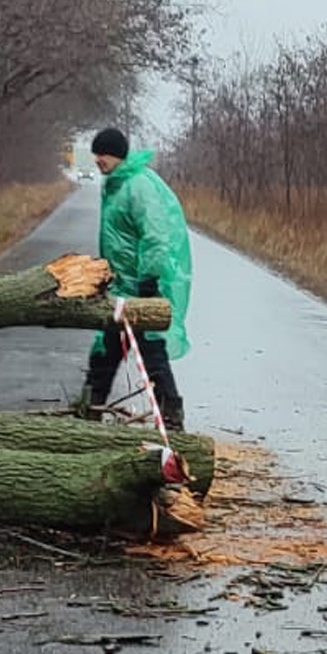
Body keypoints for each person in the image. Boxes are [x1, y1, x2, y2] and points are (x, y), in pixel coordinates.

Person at [80, 127, 193, 430]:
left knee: (152, 356)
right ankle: (88, 413)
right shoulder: (115, 185)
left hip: (140, 290)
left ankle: (171, 417)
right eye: (95, 153)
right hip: (117, 290)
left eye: (101, 153)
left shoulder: (137, 186)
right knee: (104, 354)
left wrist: (149, 278)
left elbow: (155, 236)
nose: (97, 160)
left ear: (115, 154)